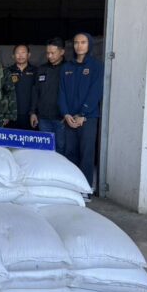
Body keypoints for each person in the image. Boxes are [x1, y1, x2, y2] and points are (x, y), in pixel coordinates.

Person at [58, 32, 104, 188]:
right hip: (69, 118)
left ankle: (85, 187)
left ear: (89, 44)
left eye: (83, 42)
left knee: (86, 153)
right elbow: (61, 92)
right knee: (70, 152)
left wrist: (83, 114)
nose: (79, 46)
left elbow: (95, 91)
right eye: (76, 42)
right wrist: (66, 114)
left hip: (87, 118)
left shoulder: (96, 66)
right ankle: (71, 186)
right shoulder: (67, 67)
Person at [30, 37, 66, 154]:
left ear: (62, 52)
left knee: (61, 148)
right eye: (47, 53)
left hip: (61, 119)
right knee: (45, 150)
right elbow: (35, 91)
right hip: (43, 118)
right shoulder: (42, 69)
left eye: (53, 53)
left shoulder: (68, 69)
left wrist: (69, 114)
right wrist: (33, 112)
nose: (49, 56)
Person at [8, 44, 37, 130]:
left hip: (30, 115)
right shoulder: (7, 71)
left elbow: (38, 92)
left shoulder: (36, 71)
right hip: (12, 115)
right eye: (17, 53)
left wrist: (34, 112)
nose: (20, 55)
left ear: (29, 55)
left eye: (23, 52)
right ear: (13, 56)